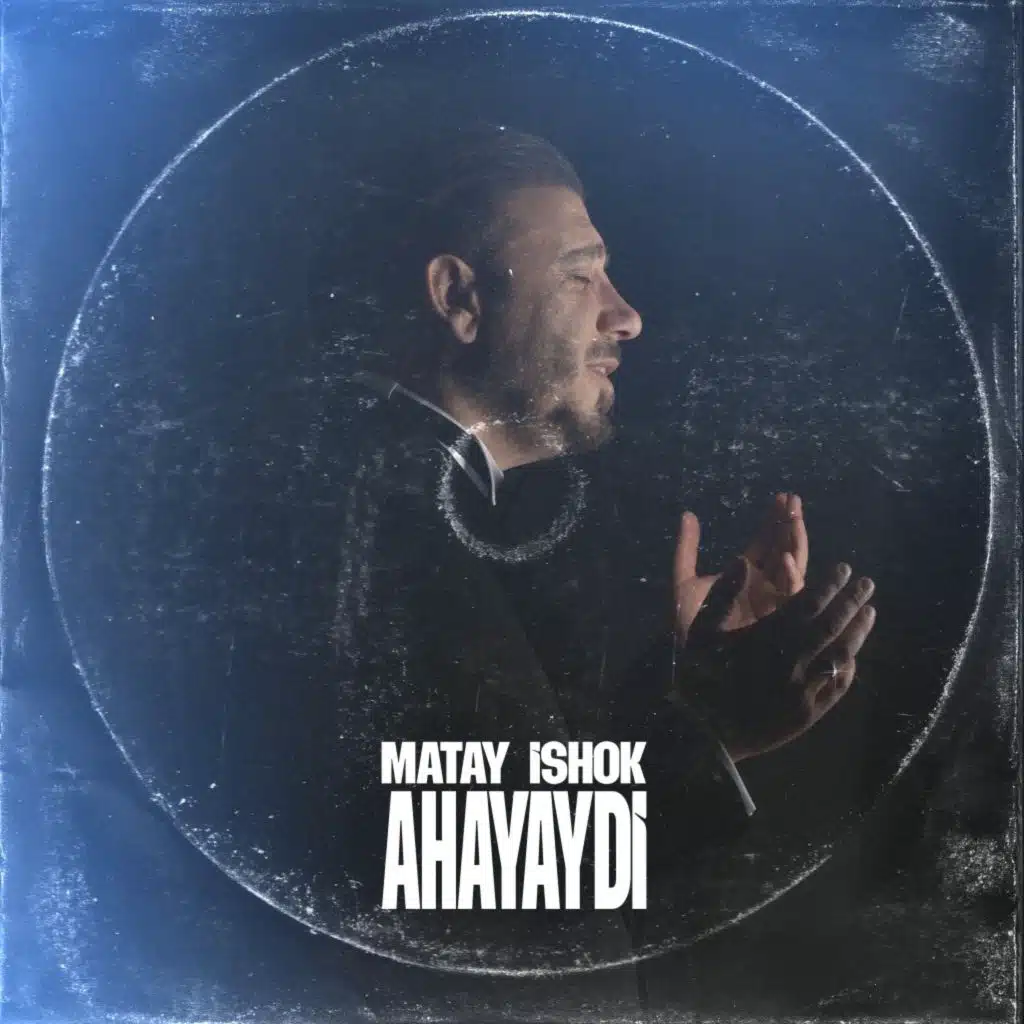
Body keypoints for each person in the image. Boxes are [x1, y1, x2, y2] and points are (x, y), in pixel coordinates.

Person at [251, 122, 879, 995]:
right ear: (458, 297)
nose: (626, 315)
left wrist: (676, 689)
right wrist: (711, 729)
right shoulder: (358, 519)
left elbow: (488, 812)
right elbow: (434, 872)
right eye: (581, 275)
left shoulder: (407, 504)